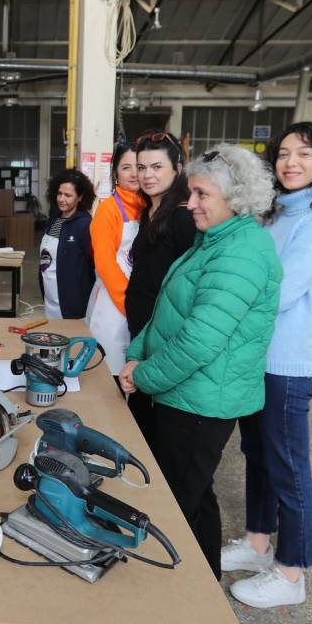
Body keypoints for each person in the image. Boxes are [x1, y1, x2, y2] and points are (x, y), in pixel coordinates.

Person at [119, 143, 282, 580]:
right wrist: (137, 353)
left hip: (201, 403)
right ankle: (205, 587)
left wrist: (146, 375)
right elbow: (168, 309)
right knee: (195, 497)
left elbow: (199, 340)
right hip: (184, 393)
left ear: (236, 197)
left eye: (201, 195)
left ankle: (181, 599)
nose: (189, 204)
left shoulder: (243, 252)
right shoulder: (215, 240)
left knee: (175, 505)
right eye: (191, 193)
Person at [222, 122, 312, 609]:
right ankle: (259, 544)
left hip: (288, 362)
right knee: (257, 456)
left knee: (289, 468)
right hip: (255, 355)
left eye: (303, 153)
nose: (290, 162)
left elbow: (282, 287)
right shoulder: (274, 214)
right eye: (283, 153)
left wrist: (225, 301)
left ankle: (292, 572)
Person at [124, 132, 196, 448]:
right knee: (140, 417)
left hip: (165, 331)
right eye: (141, 167)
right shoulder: (148, 211)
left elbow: (192, 281)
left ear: (177, 169)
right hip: (142, 328)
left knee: (159, 424)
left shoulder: (183, 215)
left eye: (156, 167)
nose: (147, 175)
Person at [87, 140, 145, 375]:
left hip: (139, 299)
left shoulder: (148, 206)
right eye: (126, 167)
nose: (134, 174)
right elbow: (104, 263)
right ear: (115, 173)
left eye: (139, 167)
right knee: (111, 371)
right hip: (114, 302)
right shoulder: (108, 210)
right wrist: (128, 304)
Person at [39, 169, 96, 319]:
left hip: (74, 304)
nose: (61, 199)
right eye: (59, 193)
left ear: (80, 197)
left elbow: (93, 265)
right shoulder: (53, 220)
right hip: (50, 297)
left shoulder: (85, 225)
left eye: (68, 195)